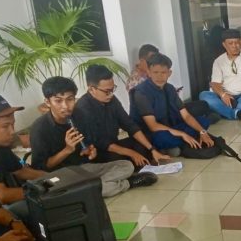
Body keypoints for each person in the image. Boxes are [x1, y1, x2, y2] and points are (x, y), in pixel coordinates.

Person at [29, 77, 157, 196]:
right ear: (48, 102)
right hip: (59, 176)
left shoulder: (79, 115)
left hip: (83, 169)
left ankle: (93, 187)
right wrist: (67, 150)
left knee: (126, 165)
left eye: (70, 99)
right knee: (73, 191)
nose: (65, 106)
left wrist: (90, 151)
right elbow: (41, 168)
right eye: (58, 101)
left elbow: (88, 145)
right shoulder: (39, 128)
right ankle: (126, 183)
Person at [73, 65, 170, 170]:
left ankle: (145, 160)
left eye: (112, 89)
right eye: (107, 91)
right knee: (121, 158)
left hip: (115, 144)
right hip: (98, 152)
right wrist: (132, 153)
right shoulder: (83, 108)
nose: (111, 94)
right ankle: (139, 164)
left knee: (145, 139)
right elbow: (101, 143)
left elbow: (129, 125)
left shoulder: (112, 100)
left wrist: (152, 149)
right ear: (92, 89)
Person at [0, 96, 47, 220]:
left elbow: (21, 171)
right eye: (6, 126)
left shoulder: (0, 145)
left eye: (13, 124)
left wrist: (54, 177)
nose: (12, 131)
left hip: (4, 206)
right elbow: (0, 195)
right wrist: (43, 188)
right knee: (42, 207)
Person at [131, 53, 214, 153]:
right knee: (162, 138)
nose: (159, 76)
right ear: (149, 72)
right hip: (153, 132)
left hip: (171, 126)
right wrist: (183, 134)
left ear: (169, 73)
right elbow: (153, 126)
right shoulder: (141, 92)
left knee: (203, 121)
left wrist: (202, 132)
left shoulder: (170, 88)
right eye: (155, 72)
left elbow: (186, 115)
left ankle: (179, 144)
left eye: (163, 72)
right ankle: (184, 141)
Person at [199, 29, 241, 121]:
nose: (234, 46)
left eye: (237, 43)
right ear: (224, 45)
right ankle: (236, 113)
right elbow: (215, 83)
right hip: (226, 97)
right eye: (230, 43)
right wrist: (223, 95)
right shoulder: (218, 61)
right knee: (204, 95)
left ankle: (224, 111)